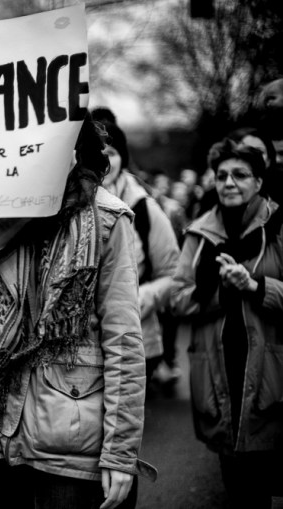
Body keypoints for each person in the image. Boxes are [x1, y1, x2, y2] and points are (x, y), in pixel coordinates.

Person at [0, 114, 156, 509]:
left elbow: (124, 340)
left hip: (67, 431)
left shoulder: (109, 219)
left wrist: (120, 452)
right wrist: (32, 198)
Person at [171, 138, 283, 508]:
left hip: (272, 380)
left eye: (240, 175)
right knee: (242, 494)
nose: (229, 183)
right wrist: (218, 292)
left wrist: (254, 286)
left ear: (259, 181)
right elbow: (177, 300)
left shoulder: (279, 226)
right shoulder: (199, 234)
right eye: (221, 176)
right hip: (220, 381)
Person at [100, 121, 180, 389]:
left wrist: (142, 298)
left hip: (134, 338)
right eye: (96, 151)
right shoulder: (66, 204)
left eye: (111, 153)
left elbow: (174, 273)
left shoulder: (144, 207)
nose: (104, 160)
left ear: (123, 158)